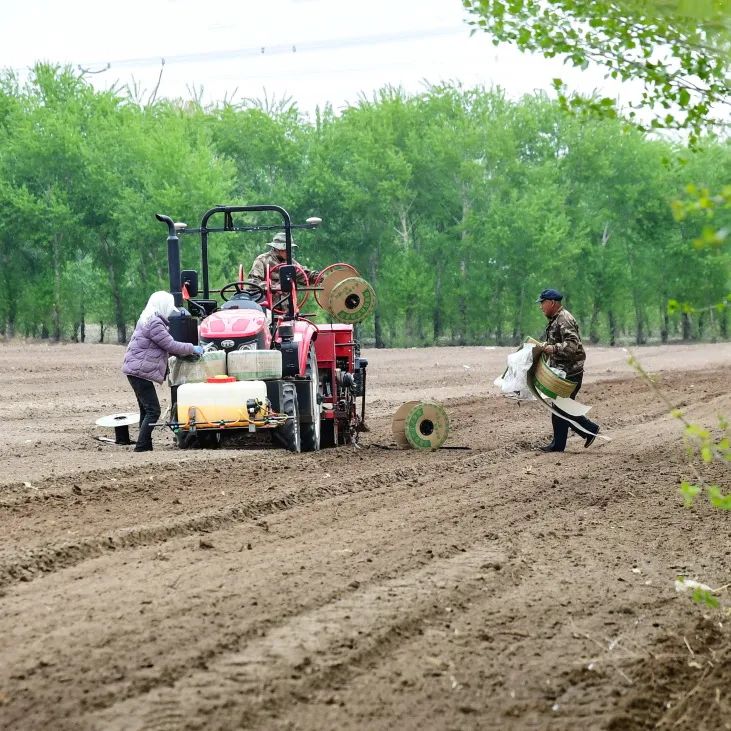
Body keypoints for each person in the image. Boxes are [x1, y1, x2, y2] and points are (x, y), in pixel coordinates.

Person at [122, 291, 203, 452]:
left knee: (146, 410)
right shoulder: (155, 323)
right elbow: (170, 345)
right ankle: (141, 446)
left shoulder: (147, 318)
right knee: (154, 410)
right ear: (163, 306)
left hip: (134, 370)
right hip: (139, 371)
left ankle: (145, 445)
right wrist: (192, 348)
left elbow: (162, 347)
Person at [535, 288, 600, 453]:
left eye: (542, 303)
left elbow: (572, 346)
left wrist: (552, 349)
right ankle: (560, 444)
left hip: (571, 372)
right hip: (563, 371)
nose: (541, 307)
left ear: (552, 302)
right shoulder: (556, 319)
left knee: (560, 408)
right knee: (560, 407)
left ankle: (588, 430)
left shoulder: (564, 319)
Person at [248, 232, 317, 310]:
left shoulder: (290, 263)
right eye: (286, 249)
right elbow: (253, 283)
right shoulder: (262, 260)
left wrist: (319, 277)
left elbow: (304, 275)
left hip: (287, 310)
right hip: (266, 309)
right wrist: (273, 288)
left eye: (290, 249)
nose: (289, 251)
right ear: (278, 249)